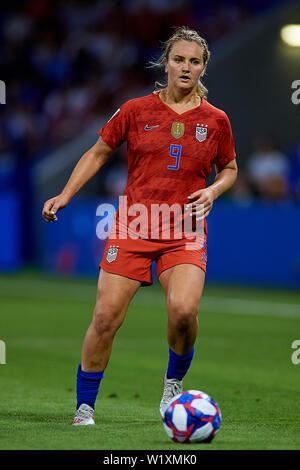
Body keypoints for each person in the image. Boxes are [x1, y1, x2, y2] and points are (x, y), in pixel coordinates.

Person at [42, 26, 238, 425]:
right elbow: (98, 153)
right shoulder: (135, 110)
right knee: (104, 318)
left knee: (183, 310)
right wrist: (65, 194)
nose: (186, 67)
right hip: (134, 225)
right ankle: (84, 407)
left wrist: (214, 191)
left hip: (183, 228)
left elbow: (230, 168)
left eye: (194, 61)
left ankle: (173, 383)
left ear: (203, 69)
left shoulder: (216, 120)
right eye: (179, 59)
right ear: (166, 64)